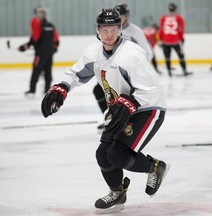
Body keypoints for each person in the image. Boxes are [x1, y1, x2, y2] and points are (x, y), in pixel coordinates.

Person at [41, 8, 169, 212]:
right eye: (104, 30)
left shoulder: (131, 54)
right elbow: (75, 73)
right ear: (98, 31)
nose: (108, 35)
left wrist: (130, 103)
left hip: (148, 108)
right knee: (103, 155)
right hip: (122, 108)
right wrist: (62, 87)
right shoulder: (93, 52)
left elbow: (152, 89)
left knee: (117, 154)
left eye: (113, 29)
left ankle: (155, 167)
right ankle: (118, 193)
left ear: (120, 30)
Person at [93, 3, 154, 130]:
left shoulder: (135, 31)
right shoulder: (110, 30)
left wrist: (139, 69)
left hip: (129, 70)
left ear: (126, 16)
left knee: (125, 94)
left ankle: (125, 119)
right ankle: (109, 115)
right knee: (100, 90)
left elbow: (148, 52)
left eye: (122, 15)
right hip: (112, 68)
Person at [19, 6, 59, 96]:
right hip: (49, 54)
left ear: (41, 16)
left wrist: (25, 46)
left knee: (36, 71)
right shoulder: (51, 25)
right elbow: (56, 39)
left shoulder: (39, 26)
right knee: (48, 72)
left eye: (38, 14)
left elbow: (35, 39)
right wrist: (54, 49)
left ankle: (32, 90)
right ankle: (47, 90)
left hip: (40, 54)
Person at [159, 3, 190, 77]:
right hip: (176, 40)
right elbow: (181, 29)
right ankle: (184, 70)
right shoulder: (179, 17)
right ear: (175, 9)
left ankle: (169, 71)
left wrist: (161, 39)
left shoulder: (163, 17)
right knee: (181, 56)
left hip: (165, 41)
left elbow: (161, 30)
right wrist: (181, 39)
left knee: (167, 57)